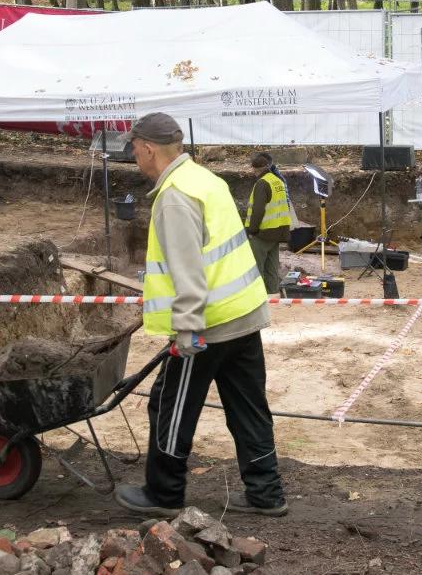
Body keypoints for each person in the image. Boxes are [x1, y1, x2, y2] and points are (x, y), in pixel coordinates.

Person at [113, 112, 288, 518]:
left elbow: (188, 269)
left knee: (170, 405)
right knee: (248, 407)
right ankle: (267, 493)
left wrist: (188, 328)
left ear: (149, 148)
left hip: (207, 326)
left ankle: (164, 493)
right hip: (243, 314)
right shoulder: (206, 180)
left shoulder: (175, 195)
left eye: (135, 147)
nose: (134, 154)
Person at [244, 152, 293, 295]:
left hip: (262, 233)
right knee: (272, 268)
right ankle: (273, 294)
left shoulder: (262, 183)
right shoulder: (278, 181)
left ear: (256, 169)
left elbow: (258, 210)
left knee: (256, 267)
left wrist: (252, 231)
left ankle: (257, 295)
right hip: (278, 232)